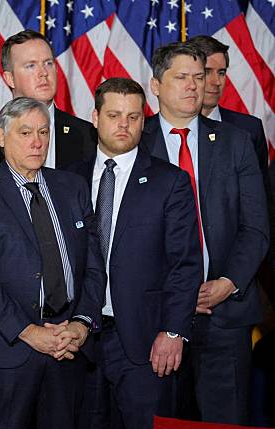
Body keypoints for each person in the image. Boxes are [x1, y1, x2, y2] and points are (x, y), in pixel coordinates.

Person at [0, 96, 106, 428]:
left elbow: (93, 266)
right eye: (25, 133)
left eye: (43, 132)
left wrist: (81, 324)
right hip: (7, 349)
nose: (37, 142)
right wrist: (29, 332)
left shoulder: (71, 186)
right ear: (1, 137)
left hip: (67, 345)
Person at [142, 42, 269, 424]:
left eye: (199, 77)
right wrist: (177, 293)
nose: (194, 86)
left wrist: (228, 283)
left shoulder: (236, 142)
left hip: (225, 314)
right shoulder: (136, 142)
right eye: (182, 77)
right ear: (156, 85)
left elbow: (256, 227)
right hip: (157, 317)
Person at [68, 78, 202, 429]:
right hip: (78, 342)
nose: (124, 125)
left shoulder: (169, 181)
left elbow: (185, 264)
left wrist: (173, 331)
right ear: (95, 118)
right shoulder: (68, 179)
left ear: (144, 120)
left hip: (145, 343)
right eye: (114, 115)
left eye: (133, 117)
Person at [187, 34, 274, 282]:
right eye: (207, 72)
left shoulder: (248, 130)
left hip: (236, 272)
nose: (216, 82)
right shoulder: (156, 132)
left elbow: (261, 206)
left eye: (222, 72)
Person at [0, 29, 96, 169]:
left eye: (48, 63)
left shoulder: (88, 136)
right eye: (31, 65)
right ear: (10, 78)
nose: (44, 73)